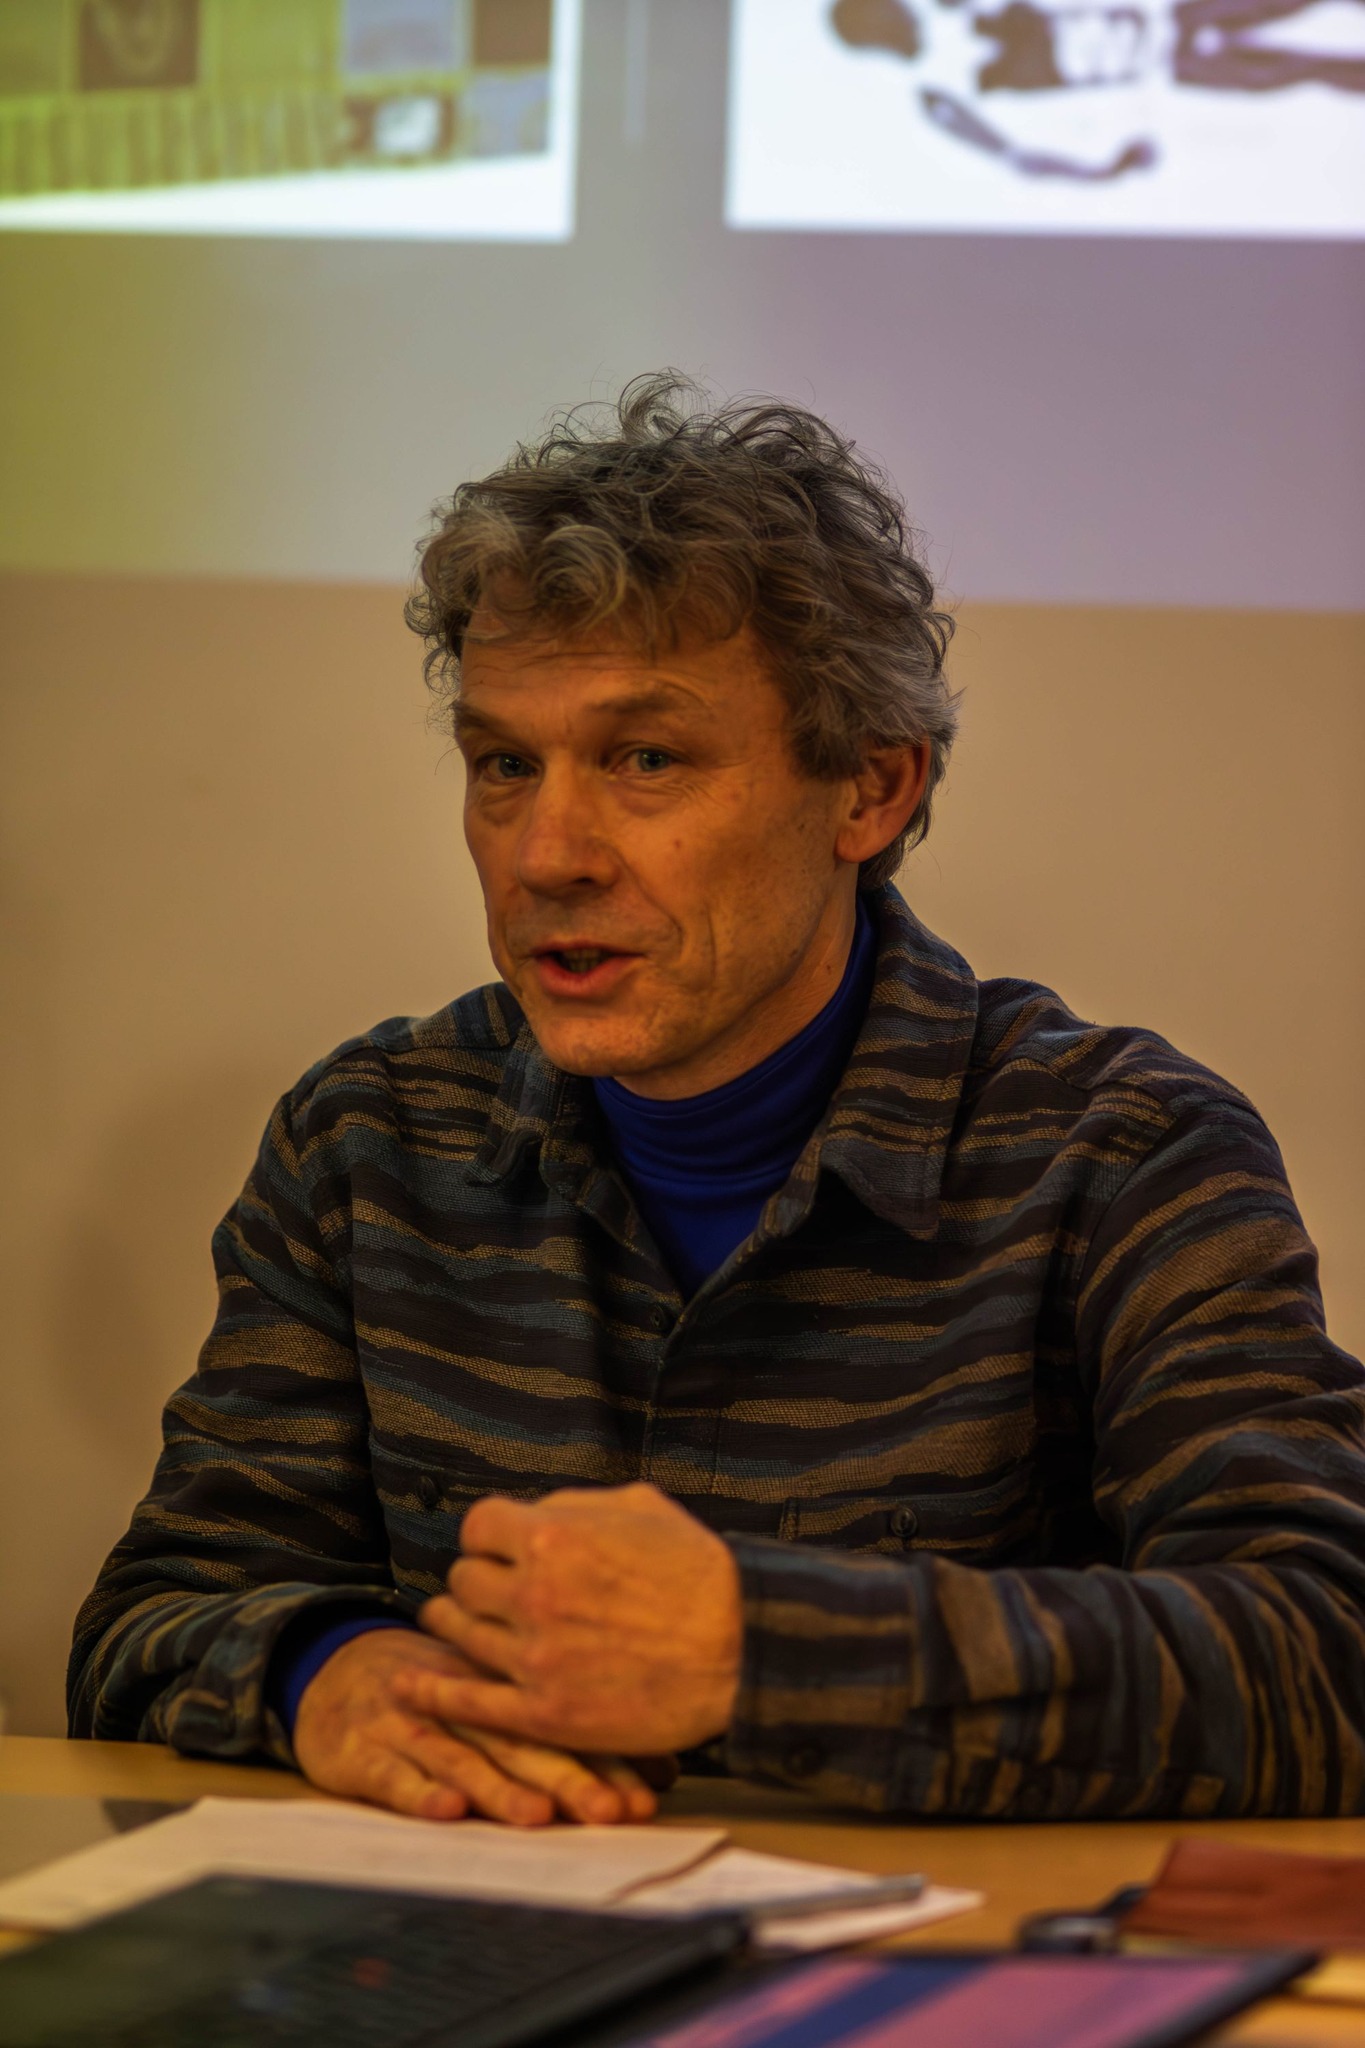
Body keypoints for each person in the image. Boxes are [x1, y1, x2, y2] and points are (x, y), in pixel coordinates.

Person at [70, 375, 1365, 1828]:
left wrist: (762, 1658)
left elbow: (1324, 1654)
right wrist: (323, 1671)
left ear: (869, 791)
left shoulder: (1123, 1152)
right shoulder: (369, 1143)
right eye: (505, 765)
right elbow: (157, 1613)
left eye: (647, 760)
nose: (547, 852)